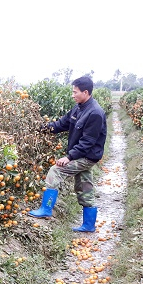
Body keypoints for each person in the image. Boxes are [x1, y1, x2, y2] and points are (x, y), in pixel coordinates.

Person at [28, 76, 107, 232]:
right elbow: (61, 124)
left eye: (75, 92)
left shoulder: (95, 113)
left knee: (55, 170)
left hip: (86, 156)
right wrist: (40, 128)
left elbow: (87, 142)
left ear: (85, 92)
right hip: (83, 155)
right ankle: (89, 225)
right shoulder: (78, 107)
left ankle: (46, 209)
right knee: (84, 186)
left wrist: (69, 157)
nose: (73, 95)